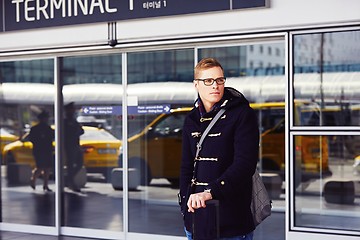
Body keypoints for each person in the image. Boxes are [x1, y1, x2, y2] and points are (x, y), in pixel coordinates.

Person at [179, 58, 260, 240]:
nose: (215, 85)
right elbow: (186, 167)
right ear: (196, 84)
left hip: (231, 222)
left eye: (220, 80)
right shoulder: (191, 120)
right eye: (208, 81)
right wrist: (184, 203)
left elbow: (245, 165)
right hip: (195, 221)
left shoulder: (242, 114)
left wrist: (210, 192)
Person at [29, 110, 55, 192]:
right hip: (39, 150)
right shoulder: (35, 129)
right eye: (45, 118)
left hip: (47, 150)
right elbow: (32, 139)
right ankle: (33, 180)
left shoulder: (48, 128)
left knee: (47, 168)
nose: (46, 119)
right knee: (40, 167)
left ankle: (45, 185)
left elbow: (53, 137)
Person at [64, 102, 84, 192]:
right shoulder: (65, 121)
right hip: (69, 145)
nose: (73, 110)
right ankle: (71, 182)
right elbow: (66, 133)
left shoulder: (73, 120)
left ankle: (68, 179)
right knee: (71, 165)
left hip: (76, 145)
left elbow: (81, 130)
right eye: (72, 109)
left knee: (79, 163)